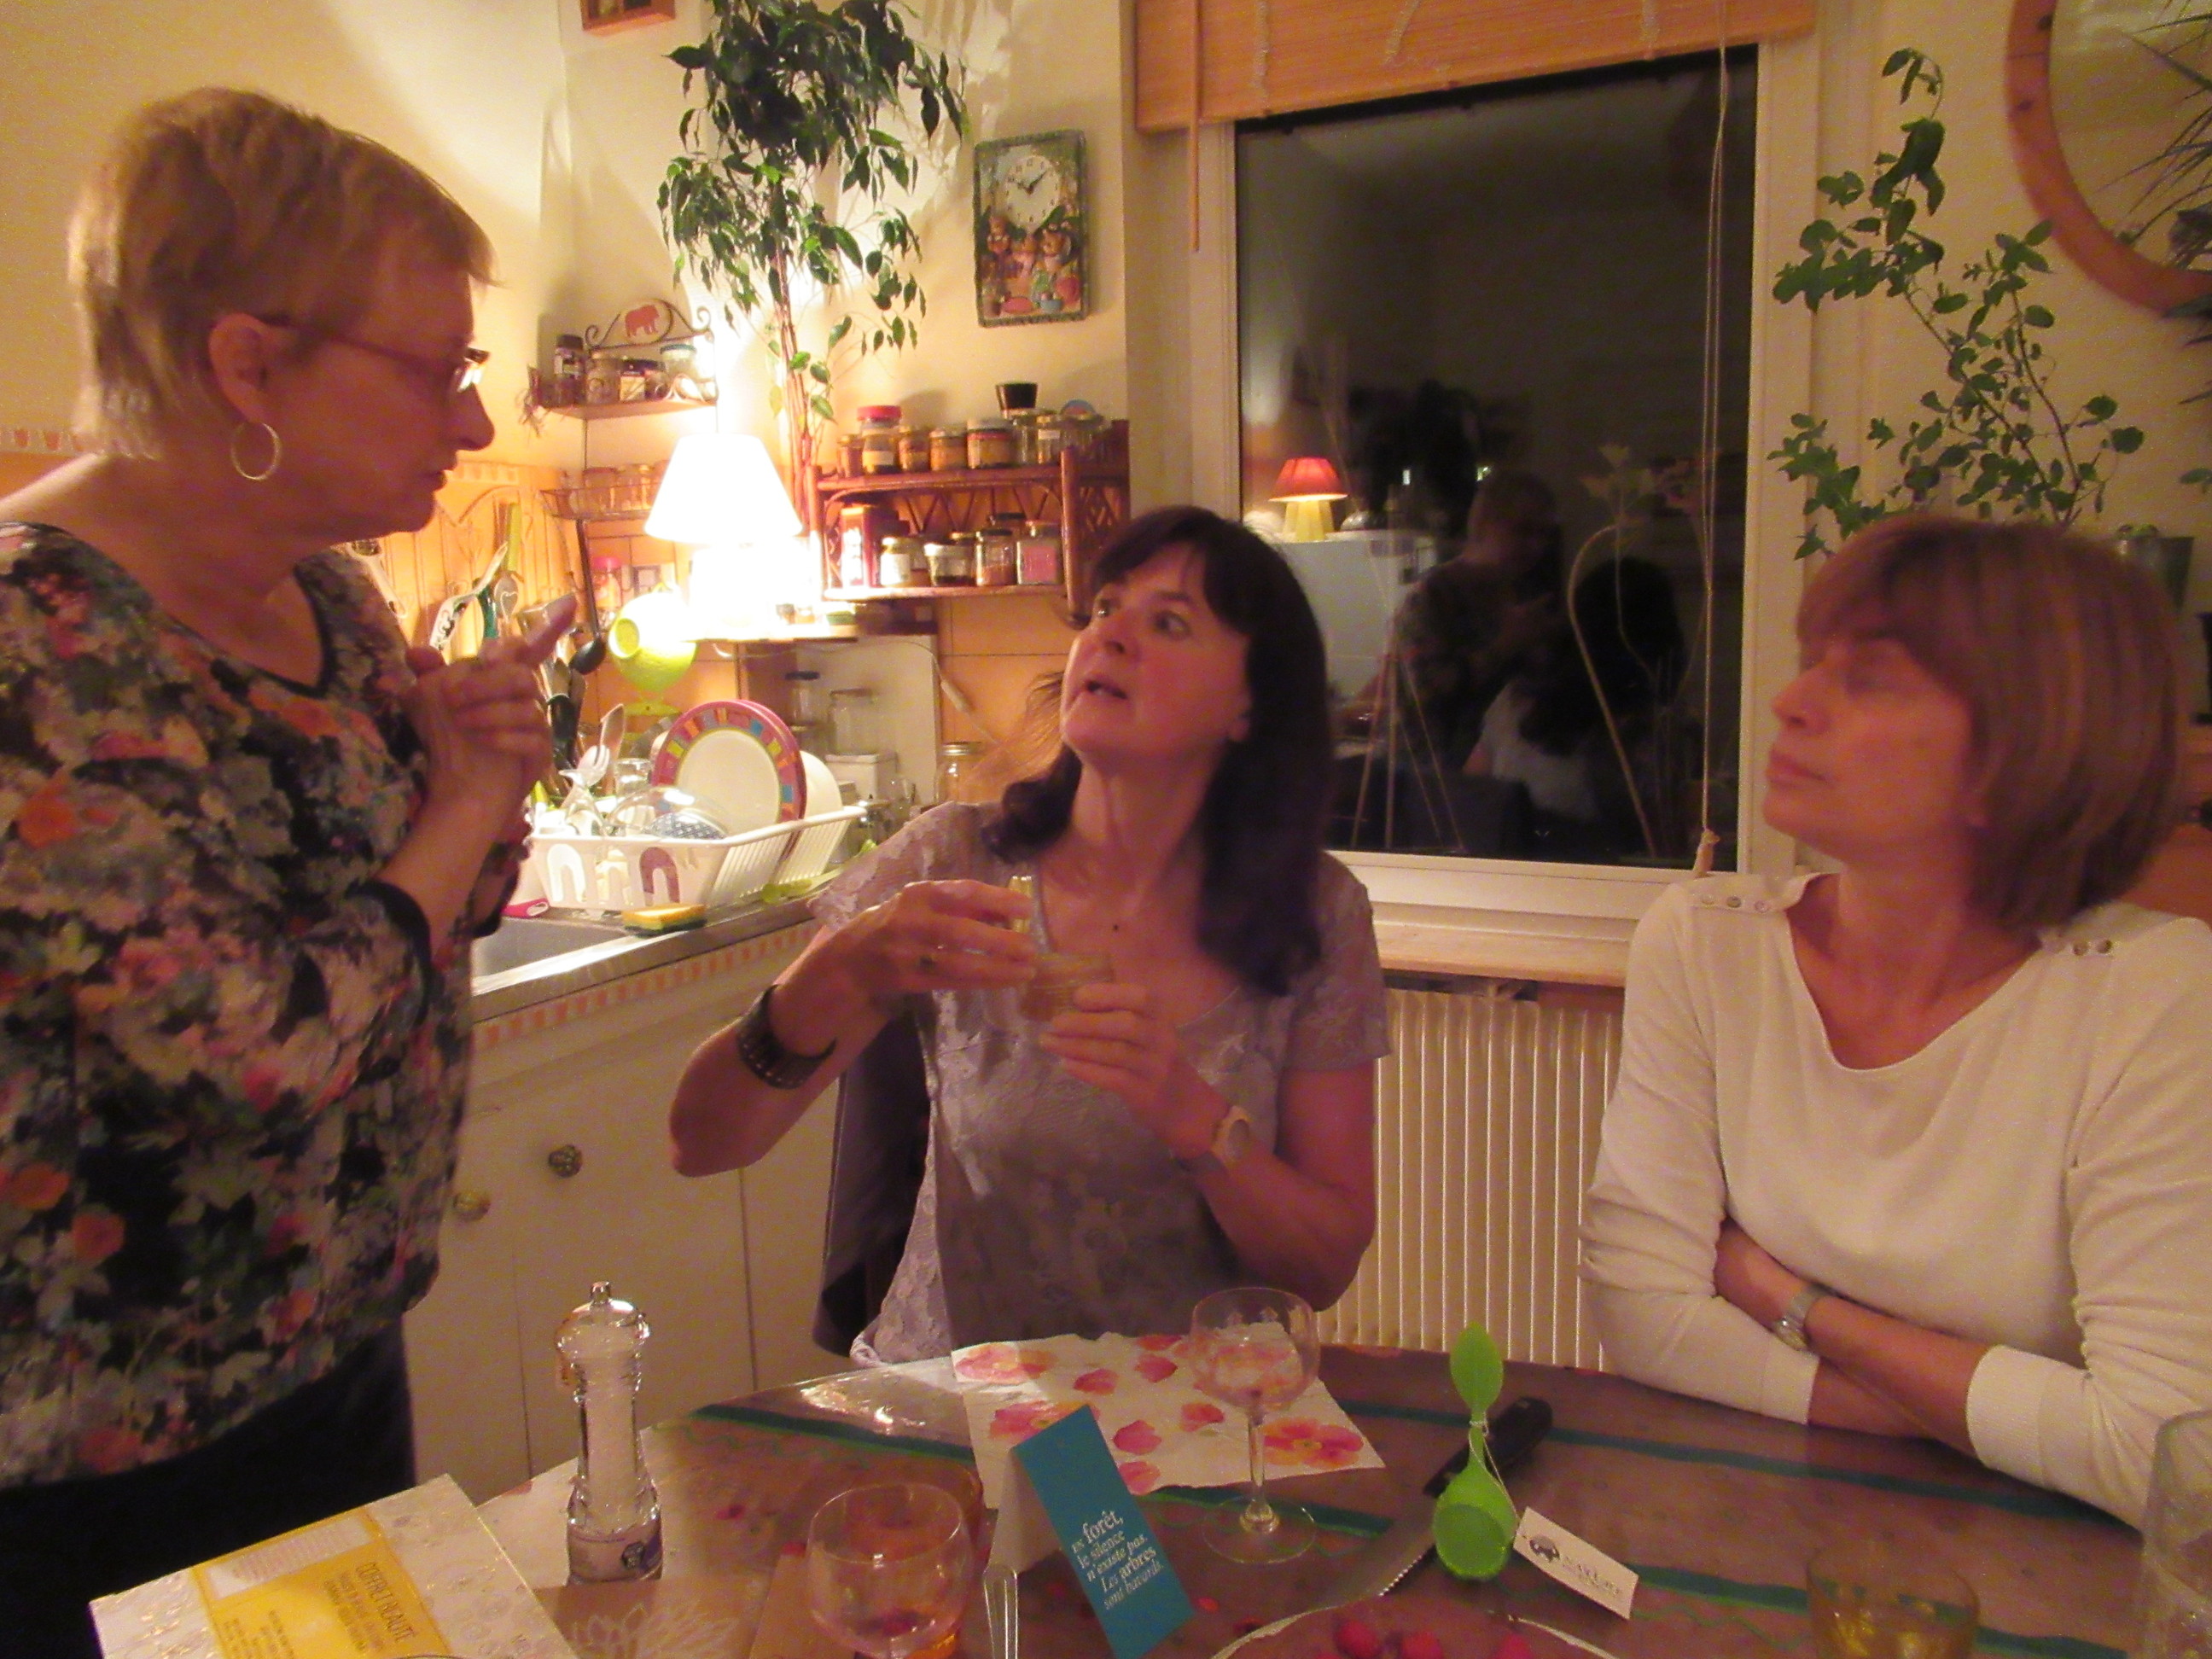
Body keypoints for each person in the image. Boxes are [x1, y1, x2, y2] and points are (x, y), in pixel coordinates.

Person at [0, 90, 553, 1655]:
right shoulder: (37, 645)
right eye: (439, 370)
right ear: (246, 364)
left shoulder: (333, 597)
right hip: (98, 1464)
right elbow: (257, 1050)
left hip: (331, 1366)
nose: (471, 425)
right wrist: (457, 811)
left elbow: (449, 906)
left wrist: (480, 782)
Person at [1580, 514, 2212, 1526]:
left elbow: (2159, 1450)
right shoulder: (1706, 941)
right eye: (1811, 662)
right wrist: (1980, 1411)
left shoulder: (2151, 994)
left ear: (2025, 750)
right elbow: (1644, 1319)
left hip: (2037, 1562)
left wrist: (1787, 1300)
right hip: (1753, 1520)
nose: (1790, 702)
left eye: (1869, 678)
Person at [670, 506, 1389, 1359]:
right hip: (959, 1398)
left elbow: (1322, 1270)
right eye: (1105, 607)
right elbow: (702, 1142)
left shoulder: (1317, 913)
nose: (1110, 634)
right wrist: (841, 973)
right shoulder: (953, 858)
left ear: (1249, 706)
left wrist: (1191, 1115)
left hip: (1188, 1411)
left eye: (1168, 623)